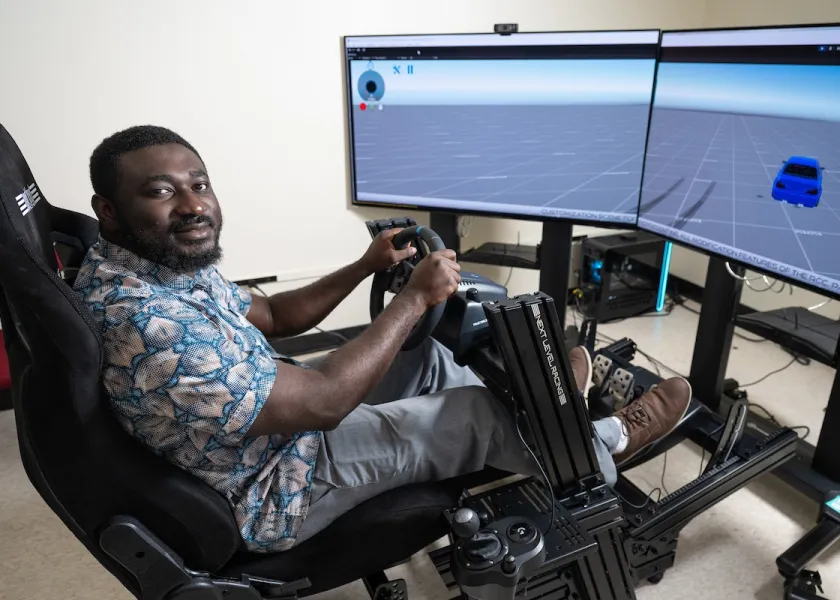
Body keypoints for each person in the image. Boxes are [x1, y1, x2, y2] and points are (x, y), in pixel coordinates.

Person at [74, 125, 692, 554]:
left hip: (268, 427)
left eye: (198, 183)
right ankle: (600, 447)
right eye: (160, 191)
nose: (191, 205)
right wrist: (414, 296)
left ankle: (548, 426)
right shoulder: (147, 321)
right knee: (472, 411)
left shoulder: (159, 266)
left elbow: (274, 312)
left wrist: (367, 266)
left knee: (423, 356)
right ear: (108, 209)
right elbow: (322, 403)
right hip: (271, 486)